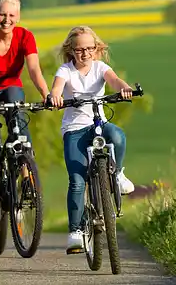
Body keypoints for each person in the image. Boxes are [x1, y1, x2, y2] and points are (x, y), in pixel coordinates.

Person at [48, 25, 136, 255]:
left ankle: (117, 174)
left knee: (117, 135)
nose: (85, 53)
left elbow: (114, 80)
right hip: (75, 130)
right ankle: (75, 231)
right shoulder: (66, 70)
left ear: (97, 49)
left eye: (90, 48)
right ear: (71, 50)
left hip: (98, 123)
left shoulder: (100, 67)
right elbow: (57, 88)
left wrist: (125, 88)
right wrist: (55, 97)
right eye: (79, 50)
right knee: (77, 181)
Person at [0, 0, 50, 180]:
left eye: (11, 15)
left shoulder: (25, 36)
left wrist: (46, 94)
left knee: (17, 112)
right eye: (2, 14)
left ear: (18, 18)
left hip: (10, 87)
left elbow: (34, 69)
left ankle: (26, 166)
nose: (6, 20)